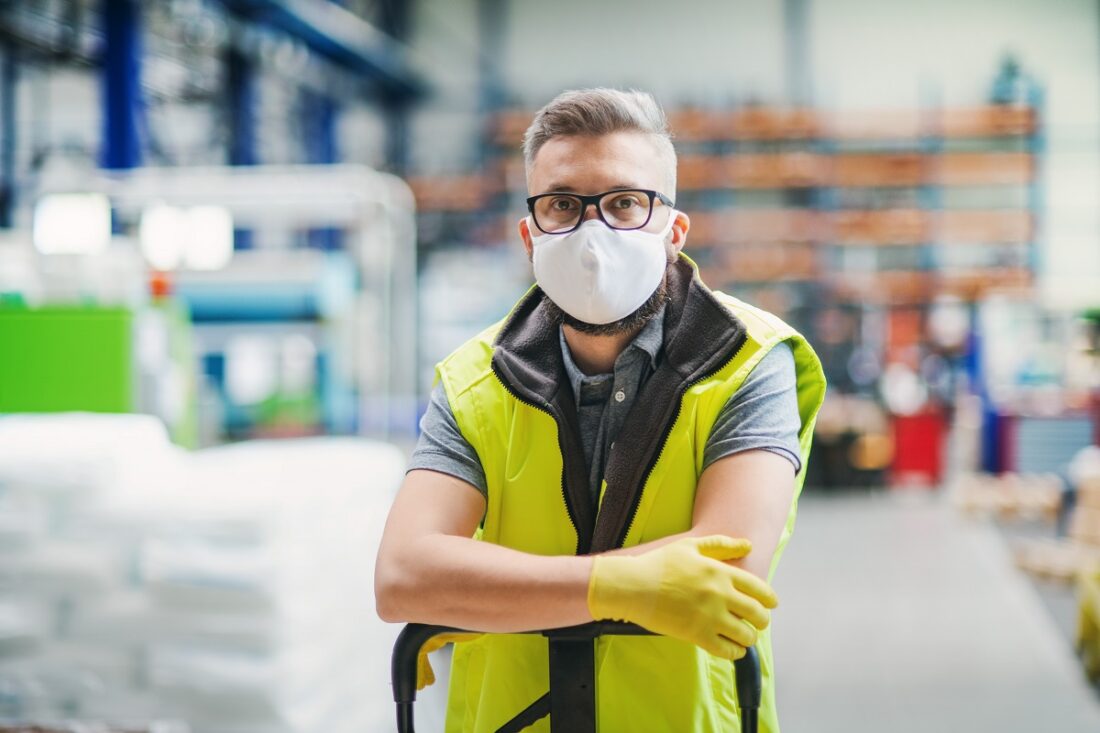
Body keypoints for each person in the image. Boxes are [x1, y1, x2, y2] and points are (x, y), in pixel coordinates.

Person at [375, 88, 826, 733]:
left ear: (672, 231)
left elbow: (727, 575)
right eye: (563, 205)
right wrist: (615, 587)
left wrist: (485, 596)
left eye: (623, 203)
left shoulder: (748, 364)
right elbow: (403, 574)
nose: (593, 234)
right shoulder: (476, 380)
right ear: (530, 234)